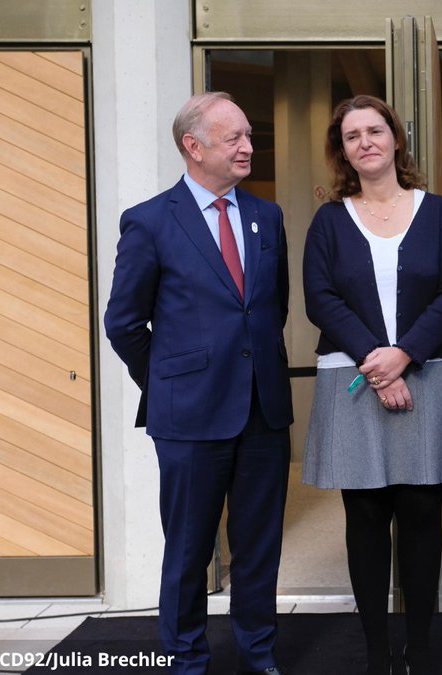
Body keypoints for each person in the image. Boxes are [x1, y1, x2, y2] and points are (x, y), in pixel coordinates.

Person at [104, 92, 293, 675]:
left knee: (259, 549)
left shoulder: (268, 216)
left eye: (249, 136)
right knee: (188, 551)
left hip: (263, 408)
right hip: (188, 414)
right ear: (194, 146)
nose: (247, 146)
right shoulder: (150, 220)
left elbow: (270, 310)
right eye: (233, 137)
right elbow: (124, 322)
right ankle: (186, 660)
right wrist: (168, 382)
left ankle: (258, 657)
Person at [301, 94, 442, 675]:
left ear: (396, 140)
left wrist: (404, 355)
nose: (365, 143)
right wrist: (378, 365)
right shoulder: (329, 219)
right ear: (343, 151)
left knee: (423, 516)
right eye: (352, 136)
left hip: (429, 374)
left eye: (375, 131)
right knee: (367, 519)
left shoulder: (439, 212)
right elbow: (320, 299)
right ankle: (378, 653)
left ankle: (420, 650)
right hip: (352, 382)